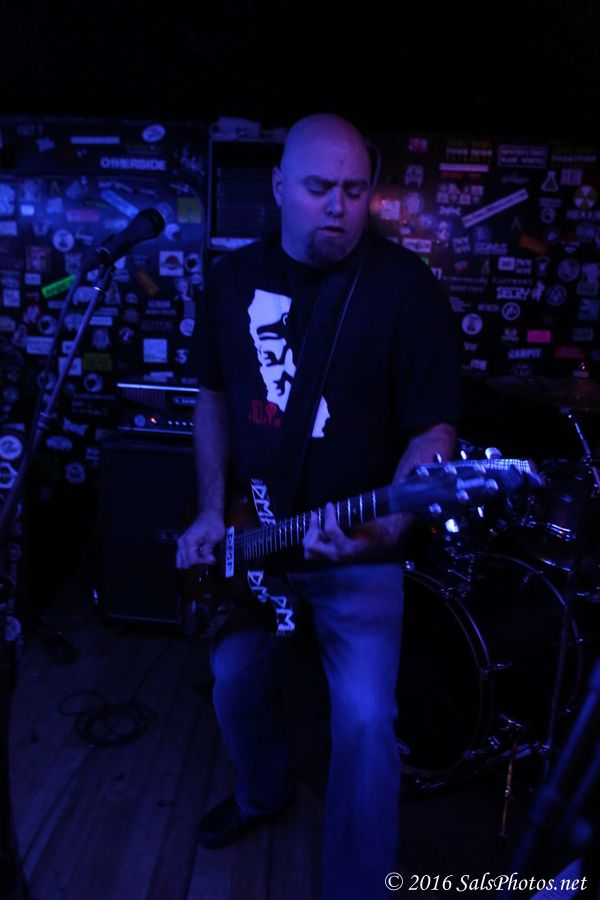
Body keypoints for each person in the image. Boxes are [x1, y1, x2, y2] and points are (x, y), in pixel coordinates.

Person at [177, 113, 460, 900]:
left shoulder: (405, 290)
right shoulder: (232, 281)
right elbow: (212, 396)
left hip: (358, 552)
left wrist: (387, 525)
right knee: (234, 685)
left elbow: (434, 431)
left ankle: (360, 887)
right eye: (318, 187)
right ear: (278, 188)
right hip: (255, 540)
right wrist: (210, 511)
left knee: (365, 724)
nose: (338, 205)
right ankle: (262, 792)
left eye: (355, 190)